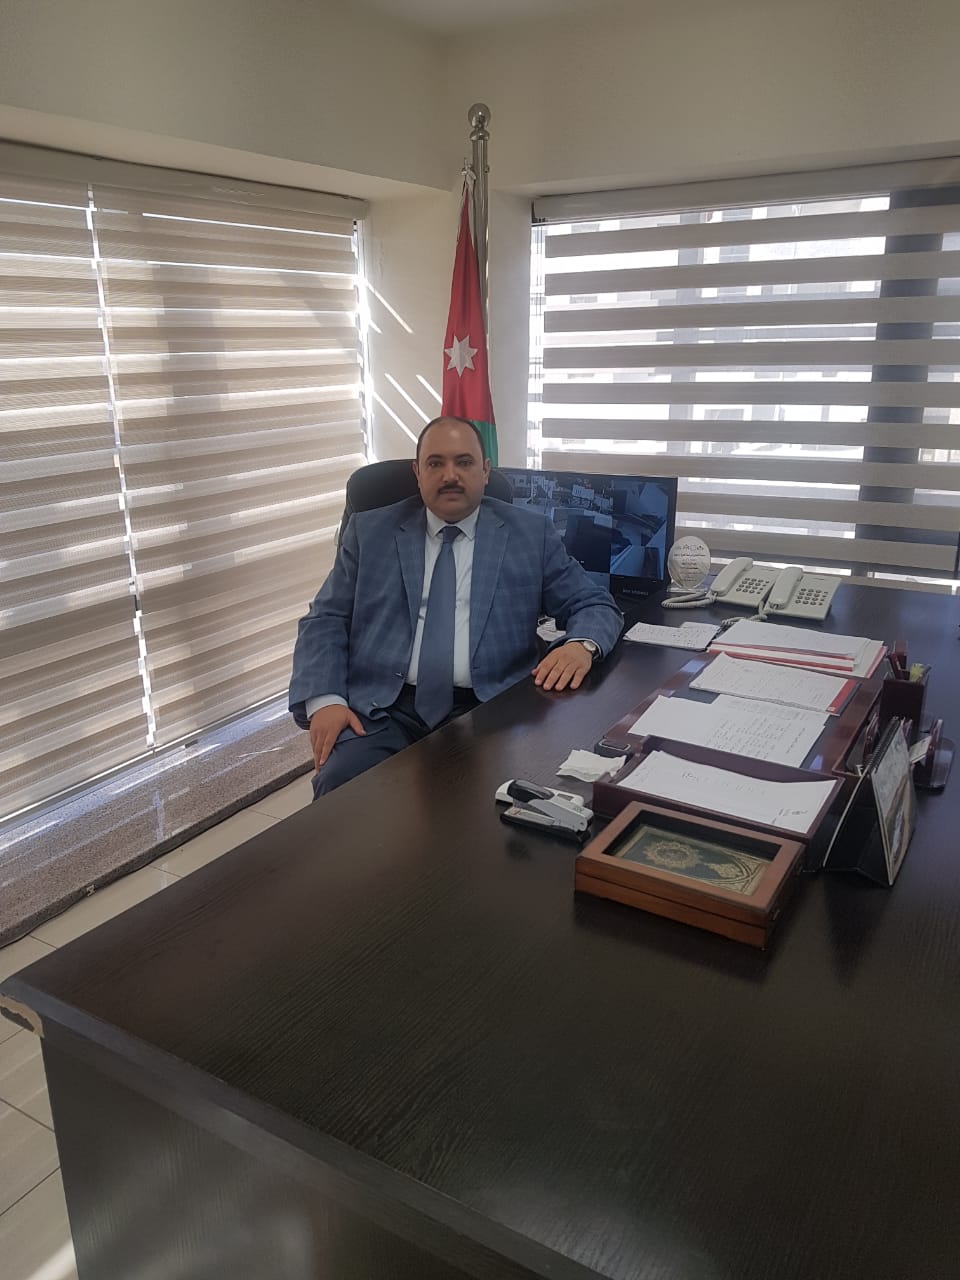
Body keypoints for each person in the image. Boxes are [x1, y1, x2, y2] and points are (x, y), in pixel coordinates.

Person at [289, 416, 623, 797]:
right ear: (418, 473)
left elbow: (594, 603)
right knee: (339, 786)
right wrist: (325, 702)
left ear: (485, 471)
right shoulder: (370, 532)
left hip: (493, 709)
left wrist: (581, 646)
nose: (450, 475)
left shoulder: (530, 534)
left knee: (513, 801)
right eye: (435, 463)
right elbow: (325, 619)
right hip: (384, 709)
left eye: (464, 462)